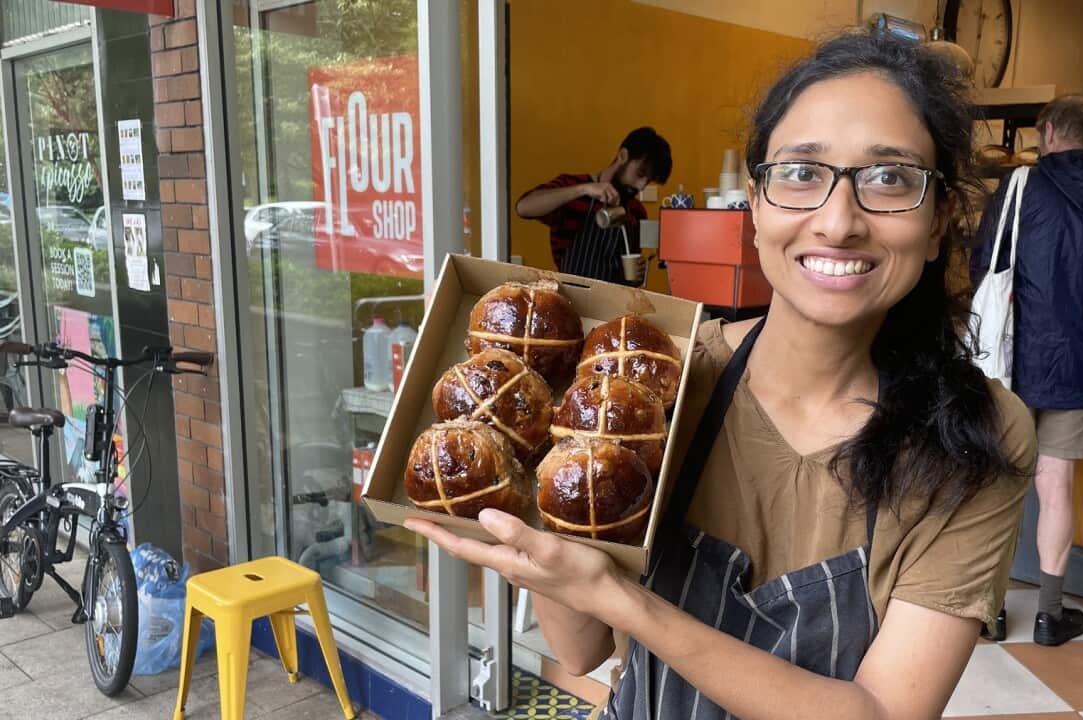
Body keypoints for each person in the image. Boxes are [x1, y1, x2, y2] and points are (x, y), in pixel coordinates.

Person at [409, 31, 1035, 719]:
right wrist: (536, 514)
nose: (837, 221)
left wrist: (629, 605)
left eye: (890, 178)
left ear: (941, 217)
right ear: (756, 204)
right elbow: (583, 649)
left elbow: (883, 713)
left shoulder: (977, 439)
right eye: (801, 172)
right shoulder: (656, 386)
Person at [970, 95, 1083, 646]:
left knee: (1000, 483)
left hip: (1014, 358)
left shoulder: (1023, 185)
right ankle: (1049, 615)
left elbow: (986, 263)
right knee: (1057, 485)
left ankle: (991, 613)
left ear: (1045, 131)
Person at [515, 127, 672, 284]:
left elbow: (630, 268)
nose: (641, 186)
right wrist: (583, 189)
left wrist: (636, 273)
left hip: (614, 303)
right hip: (573, 299)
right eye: (640, 174)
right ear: (623, 156)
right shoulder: (572, 188)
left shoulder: (636, 211)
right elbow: (523, 207)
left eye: (648, 180)